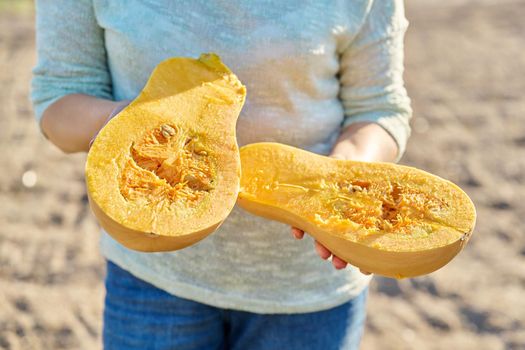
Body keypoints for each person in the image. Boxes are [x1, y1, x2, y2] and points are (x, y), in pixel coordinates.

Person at [32, 1, 412, 349]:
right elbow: (59, 99)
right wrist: (127, 123)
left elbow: (380, 108)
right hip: (153, 282)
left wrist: (340, 177)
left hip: (310, 288)